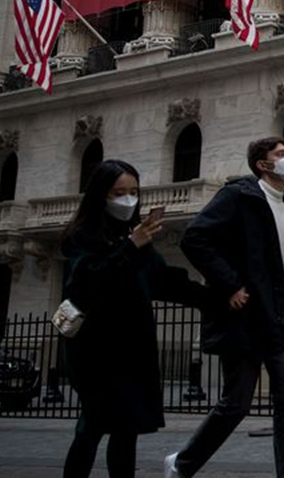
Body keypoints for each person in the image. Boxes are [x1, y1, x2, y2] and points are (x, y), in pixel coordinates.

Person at [166, 137, 284, 478]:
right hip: (248, 314)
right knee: (236, 404)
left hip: (282, 314)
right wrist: (229, 284)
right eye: (281, 154)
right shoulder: (239, 196)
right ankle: (182, 464)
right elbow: (194, 237)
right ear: (263, 165)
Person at [60, 159, 209, 478]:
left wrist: (217, 296)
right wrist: (129, 246)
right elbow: (85, 284)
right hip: (95, 350)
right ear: (101, 195)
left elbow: (162, 280)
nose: (127, 199)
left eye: (133, 192)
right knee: (92, 426)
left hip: (132, 348)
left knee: (126, 429)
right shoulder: (83, 236)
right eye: (118, 193)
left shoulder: (135, 236)